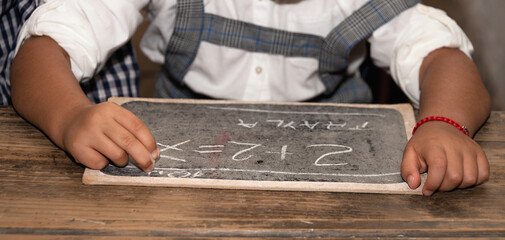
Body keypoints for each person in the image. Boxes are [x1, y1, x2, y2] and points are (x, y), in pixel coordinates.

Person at [4, 0, 491, 196]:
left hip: (338, 178)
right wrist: (70, 116)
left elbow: (442, 56)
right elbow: (40, 52)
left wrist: (444, 124)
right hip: (176, 177)